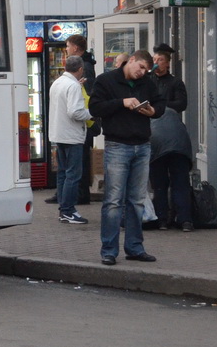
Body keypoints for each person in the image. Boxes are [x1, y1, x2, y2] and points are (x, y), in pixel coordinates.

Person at [89, 50, 166, 265]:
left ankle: (134, 247)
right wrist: (121, 102)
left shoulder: (147, 83)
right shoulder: (106, 80)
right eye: (140, 67)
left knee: (137, 200)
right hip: (117, 145)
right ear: (131, 60)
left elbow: (161, 103)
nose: (142, 73)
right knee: (113, 201)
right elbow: (94, 107)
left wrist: (153, 111)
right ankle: (109, 250)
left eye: (146, 70)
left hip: (142, 146)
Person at [149, 44, 193, 231]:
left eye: (160, 60)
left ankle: (185, 219)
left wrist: (159, 105)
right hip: (156, 138)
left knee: (179, 181)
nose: (157, 63)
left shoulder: (175, 83)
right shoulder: (148, 81)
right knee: (159, 183)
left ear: (167, 64)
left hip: (173, 136)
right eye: (155, 60)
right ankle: (162, 219)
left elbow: (182, 104)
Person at [49, 55, 93, 223]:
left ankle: (63, 208)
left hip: (58, 133)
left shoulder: (57, 83)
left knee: (62, 174)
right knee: (73, 175)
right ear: (80, 69)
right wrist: (92, 114)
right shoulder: (73, 86)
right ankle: (68, 210)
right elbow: (75, 112)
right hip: (72, 135)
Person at [66, 34, 98, 205]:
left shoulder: (84, 67)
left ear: (76, 48)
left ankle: (81, 193)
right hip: (85, 118)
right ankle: (78, 192)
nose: (66, 50)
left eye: (68, 46)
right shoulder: (86, 65)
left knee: (81, 158)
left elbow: (86, 94)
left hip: (84, 120)